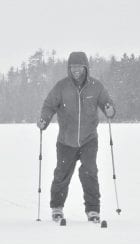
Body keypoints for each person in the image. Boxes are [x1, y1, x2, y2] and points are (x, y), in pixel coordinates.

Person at [37, 51, 115, 222]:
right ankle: (57, 208)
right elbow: (49, 105)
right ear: (69, 68)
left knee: (90, 172)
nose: (76, 70)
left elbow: (107, 103)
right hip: (66, 140)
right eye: (72, 67)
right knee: (62, 174)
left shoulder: (96, 87)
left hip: (89, 139)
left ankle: (93, 210)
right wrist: (44, 119)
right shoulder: (61, 87)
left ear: (85, 67)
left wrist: (110, 109)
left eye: (79, 67)